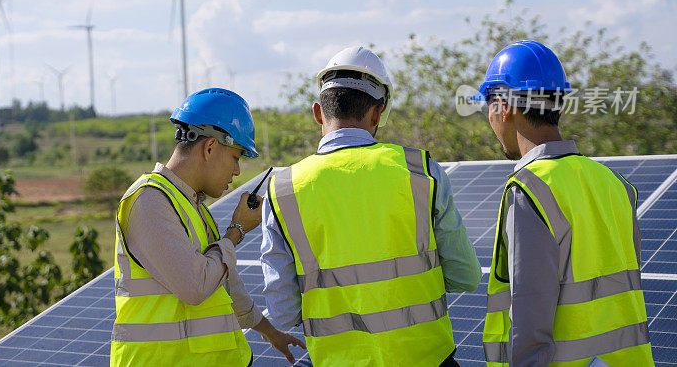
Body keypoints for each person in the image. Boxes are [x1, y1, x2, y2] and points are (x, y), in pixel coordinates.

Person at [260, 47, 482, 367]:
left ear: (318, 113)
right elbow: (466, 276)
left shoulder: (283, 190)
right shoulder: (422, 172)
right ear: (377, 113)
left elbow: (283, 310)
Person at [478, 40, 654, 366]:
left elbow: (529, 325)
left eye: (488, 104)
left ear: (503, 106)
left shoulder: (530, 189)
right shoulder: (615, 184)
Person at [110, 88, 305, 366]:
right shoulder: (148, 201)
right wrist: (236, 231)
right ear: (210, 147)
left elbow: (224, 286)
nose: (237, 171)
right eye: (236, 157)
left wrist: (270, 332)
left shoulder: (192, 205)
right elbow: (195, 285)